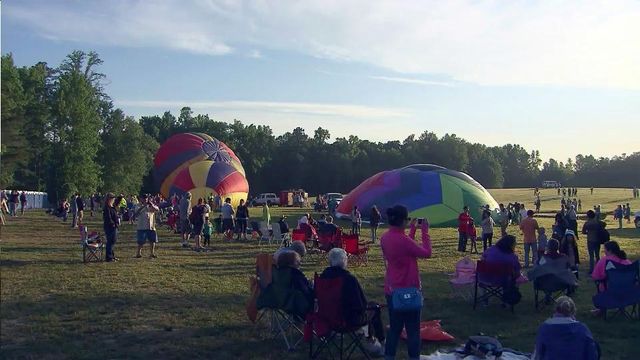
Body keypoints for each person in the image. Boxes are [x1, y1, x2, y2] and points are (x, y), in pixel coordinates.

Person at [380, 205, 432, 360]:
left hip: (392, 289)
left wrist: (412, 231)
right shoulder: (404, 240)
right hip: (409, 289)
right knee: (413, 330)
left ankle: (389, 356)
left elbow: (406, 246)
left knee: (394, 328)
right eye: (407, 219)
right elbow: (426, 253)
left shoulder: (385, 237)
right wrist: (424, 232)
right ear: (403, 221)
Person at [320, 248, 385, 357]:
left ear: (330, 262)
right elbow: (361, 305)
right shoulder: (349, 279)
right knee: (374, 307)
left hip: (327, 319)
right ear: (344, 261)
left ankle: (372, 340)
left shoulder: (323, 277)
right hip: (348, 320)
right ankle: (378, 343)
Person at [533, 296, 599, 360]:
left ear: (556, 310)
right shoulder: (582, 329)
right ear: (573, 311)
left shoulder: (545, 328)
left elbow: (538, 353)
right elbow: (592, 353)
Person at [102, 193, 119, 262]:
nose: (113, 199)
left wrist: (120, 196)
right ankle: (108, 257)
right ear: (109, 199)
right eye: (112, 198)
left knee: (113, 241)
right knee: (110, 242)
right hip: (110, 227)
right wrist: (113, 224)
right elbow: (108, 218)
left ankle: (112, 256)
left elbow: (117, 202)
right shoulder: (107, 207)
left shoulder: (112, 206)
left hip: (114, 226)